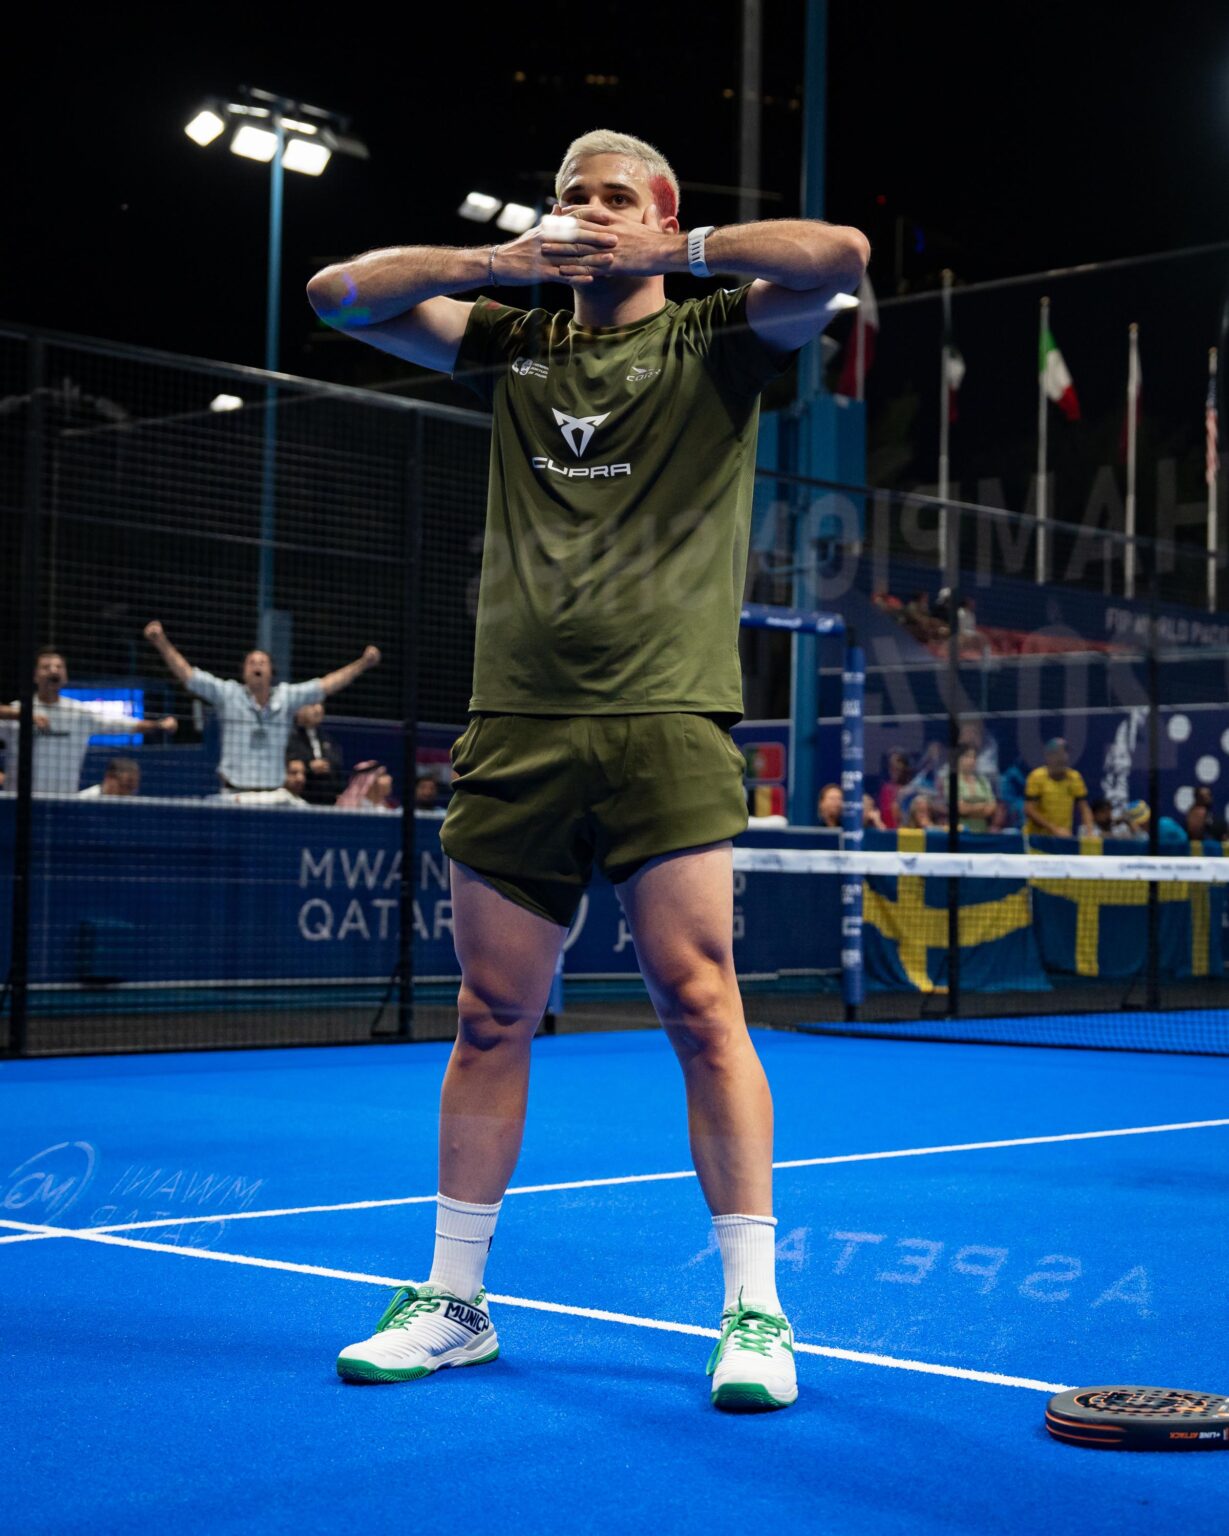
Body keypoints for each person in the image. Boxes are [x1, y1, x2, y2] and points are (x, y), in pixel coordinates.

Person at [309, 126, 868, 1410]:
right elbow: (336, 295)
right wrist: (497, 261)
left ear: (661, 217)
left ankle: (754, 1311)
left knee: (699, 1004)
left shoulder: (720, 331)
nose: (589, 211)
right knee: (488, 1016)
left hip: (667, 719)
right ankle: (453, 1303)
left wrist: (685, 250)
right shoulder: (509, 341)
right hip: (516, 724)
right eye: (572, 195)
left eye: (615, 197)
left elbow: (836, 256)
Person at [144, 622, 380, 793]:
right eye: (251, 662)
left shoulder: (287, 697)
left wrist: (362, 664)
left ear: (271, 672)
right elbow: (188, 676)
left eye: (262, 662)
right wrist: (160, 642)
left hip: (273, 795)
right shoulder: (228, 693)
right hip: (233, 794)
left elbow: (326, 685)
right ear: (244, 672)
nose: (256, 665)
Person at [0, 648, 176, 795]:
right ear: (35, 676)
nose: (53, 671)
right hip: (19, 805)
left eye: (59, 667)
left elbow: (122, 723)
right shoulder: (16, 711)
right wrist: (24, 715)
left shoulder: (79, 713)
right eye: (46, 667)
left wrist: (158, 725)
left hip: (64, 805)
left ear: (65, 676)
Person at [1024, 738, 1094, 839]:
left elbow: (1084, 808)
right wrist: (1054, 829)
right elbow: (1029, 810)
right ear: (1048, 756)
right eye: (1058, 754)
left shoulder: (1074, 777)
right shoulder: (1036, 777)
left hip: (1063, 838)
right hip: (1037, 839)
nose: (1064, 757)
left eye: (1065, 753)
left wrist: (1090, 832)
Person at [288, 702, 345, 806]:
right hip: (300, 800)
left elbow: (337, 766)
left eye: (320, 704)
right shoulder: (288, 737)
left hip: (328, 801)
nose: (318, 709)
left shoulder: (327, 739)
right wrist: (309, 766)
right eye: (313, 704)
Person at [938, 746, 995, 833]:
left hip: (982, 832)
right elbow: (960, 809)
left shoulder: (983, 781)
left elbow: (991, 808)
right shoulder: (951, 780)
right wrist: (982, 807)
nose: (972, 760)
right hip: (960, 832)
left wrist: (969, 809)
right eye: (967, 756)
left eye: (974, 757)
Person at [231, 757, 310, 806]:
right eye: (293, 773)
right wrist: (240, 799)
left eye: (303, 773)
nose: (300, 778)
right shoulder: (282, 797)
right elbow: (240, 799)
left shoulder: (302, 803)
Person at [877, 749, 911, 830]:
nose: (895, 767)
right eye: (891, 766)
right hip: (890, 833)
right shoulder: (886, 790)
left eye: (898, 762)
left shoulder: (913, 789)